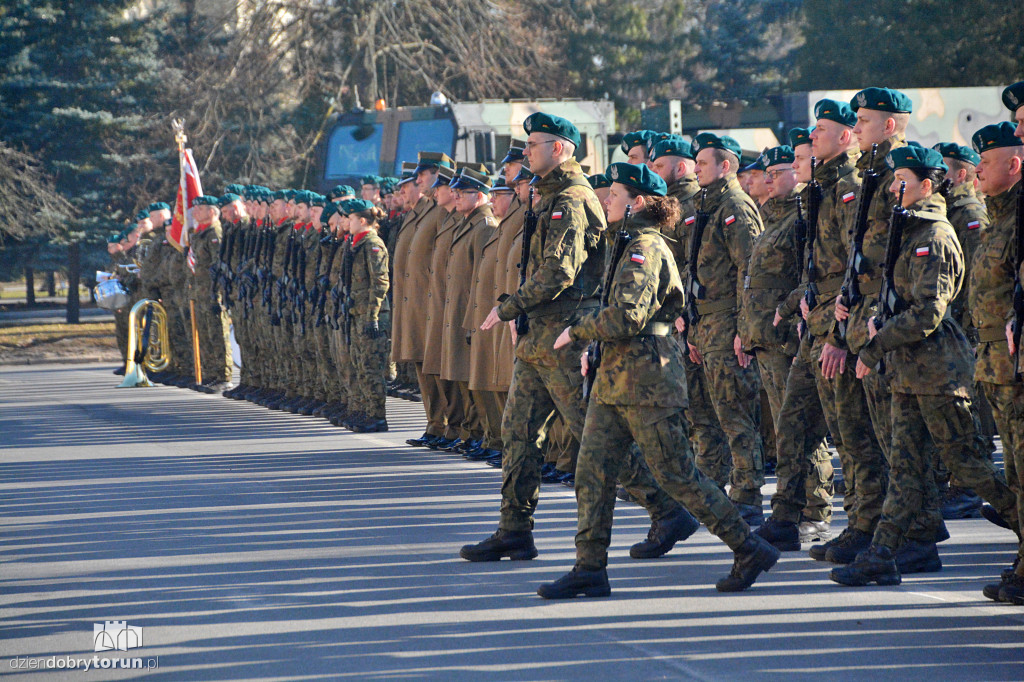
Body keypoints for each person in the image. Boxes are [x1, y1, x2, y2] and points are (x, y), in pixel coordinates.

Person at [537, 162, 778, 598]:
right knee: (591, 472)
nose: (607, 200)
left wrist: (579, 329)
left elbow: (627, 315)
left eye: (615, 194)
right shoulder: (626, 243)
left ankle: (749, 546)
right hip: (616, 382)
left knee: (680, 476)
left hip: (648, 382)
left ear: (639, 202)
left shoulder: (644, 248)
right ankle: (589, 566)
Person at [462, 112, 692, 563]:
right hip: (540, 338)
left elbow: (559, 272)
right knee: (518, 433)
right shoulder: (546, 195)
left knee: (597, 436)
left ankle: (666, 509)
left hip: (564, 338)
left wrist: (510, 306)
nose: (527, 150)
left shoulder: (572, 198)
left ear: (562, 148)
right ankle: (514, 528)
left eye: (535, 143)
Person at [831, 144, 1019, 587]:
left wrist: (874, 348)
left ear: (927, 186)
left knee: (969, 465)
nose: (894, 189)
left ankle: (1017, 518)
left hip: (936, 374)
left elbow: (928, 314)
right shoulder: (909, 230)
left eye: (903, 182)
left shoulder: (933, 236)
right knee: (905, 465)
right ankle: (882, 553)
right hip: (908, 373)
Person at [689, 132, 766, 526]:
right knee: (712, 415)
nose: (696, 168)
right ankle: (715, 485)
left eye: (703, 163)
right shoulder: (711, 205)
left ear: (725, 166)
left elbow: (748, 272)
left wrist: (743, 329)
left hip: (727, 325)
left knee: (737, 415)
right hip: (707, 324)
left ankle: (748, 493)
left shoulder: (736, 206)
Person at [971, 119, 1024, 603]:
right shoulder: (998, 219)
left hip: (1014, 363)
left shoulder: (1017, 220)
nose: (976, 173)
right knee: (1014, 471)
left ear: (1014, 164)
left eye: (985, 164)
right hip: (994, 365)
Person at [337, 198, 391, 432]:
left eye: (349, 218)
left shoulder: (372, 244)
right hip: (357, 313)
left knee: (371, 367)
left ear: (361, 220)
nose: (346, 222)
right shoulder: (355, 244)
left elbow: (380, 282)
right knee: (360, 364)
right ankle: (364, 411)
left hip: (371, 316)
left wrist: (372, 316)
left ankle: (377, 416)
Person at [187, 194, 233, 393]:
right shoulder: (200, 233)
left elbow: (219, 265)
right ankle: (211, 374)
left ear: (212, 212)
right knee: (206, 334)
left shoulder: (215, 232)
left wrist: (219, 294)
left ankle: (223, 376)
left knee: (218, 334)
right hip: (201, 292)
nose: (195, 212)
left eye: (200, 208)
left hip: (213, 293)